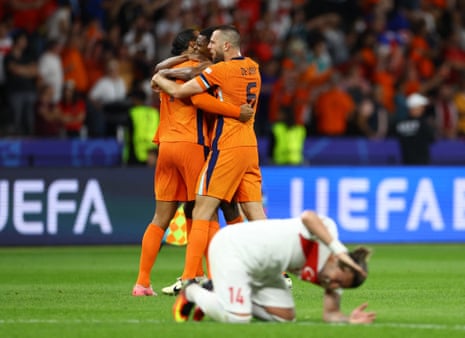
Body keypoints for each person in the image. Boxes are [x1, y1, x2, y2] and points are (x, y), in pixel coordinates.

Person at [132, 28, 254, 297]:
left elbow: (158, 77)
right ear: (191, 45)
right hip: (193, 145)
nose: (207, 43)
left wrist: (164, 69)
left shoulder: (162, 75)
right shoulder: (203, 68)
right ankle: (211, 277)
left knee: (161, 218)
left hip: (165, 147)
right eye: (202, 39)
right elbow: (196, 90)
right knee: (207, 212)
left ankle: (142, 283)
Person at [173, 210, 376, 324]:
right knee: (238, 319)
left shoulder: (334, 279)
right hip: (235, 249)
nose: (332, 284)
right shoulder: (327, 234)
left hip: (265, 271)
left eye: (340, 285)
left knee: (285, 318)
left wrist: (350, 321)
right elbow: (308, 217)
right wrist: (338, 248)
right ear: (341, 261)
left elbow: (330, 314)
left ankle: (219, 296)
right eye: (338, 279)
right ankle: (191, 292)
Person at [393, 93, 435, 165]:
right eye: (420, 107)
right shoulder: (423, 124)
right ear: (413, 108)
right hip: (422, 164)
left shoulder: (399, 124)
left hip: (406, 163)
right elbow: (432, 138)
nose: (423, 109)